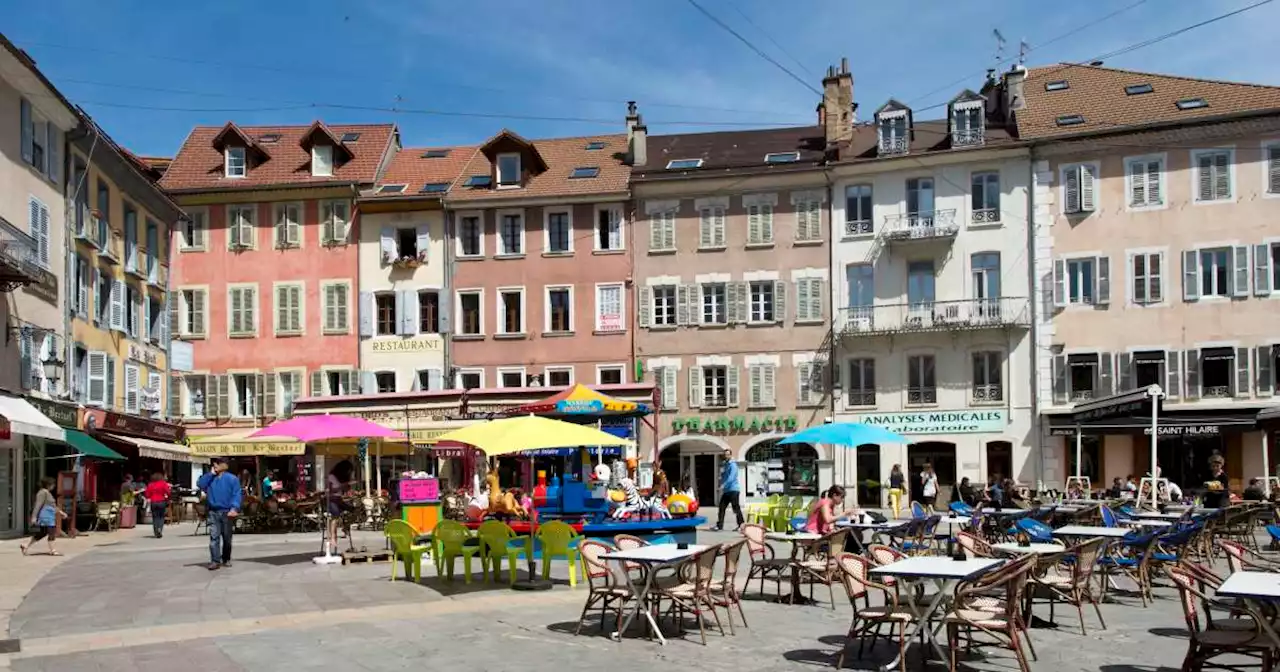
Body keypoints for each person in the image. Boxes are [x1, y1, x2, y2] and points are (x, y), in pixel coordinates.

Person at [198, 457, 242, 570]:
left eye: (218, 463)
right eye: (214, 463)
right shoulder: (210, 478)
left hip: (227, 511)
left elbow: (236, 494)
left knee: (227, 538)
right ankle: (215, 560)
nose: (215, 465)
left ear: (225, 465)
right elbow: (200, 484)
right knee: (214, 537)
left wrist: (234, 508)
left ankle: (226, 558)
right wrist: (210, 475)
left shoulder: (232, 479)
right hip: (213, 511)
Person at [20, 477, 65, 556]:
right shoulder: (42, 493)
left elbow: (53, 506)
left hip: (49, 516)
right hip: (46, 517)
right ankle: (53, 550)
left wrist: (61, 512)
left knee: (42, 533)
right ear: (48, 485)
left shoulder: (47, 493)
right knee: (51, 532)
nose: (54, 486)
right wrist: (34, 517)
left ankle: (26, 546)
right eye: (53, 484)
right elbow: (38, 505)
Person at [326, 460, 355, 553]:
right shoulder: (331, 476)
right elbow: (331, 490)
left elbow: (344, 490)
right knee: (335, 515)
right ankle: (332, 537)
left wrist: (348, 486)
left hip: (339, 499)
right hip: (332, 499)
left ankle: (346, 526)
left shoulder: (342, 478)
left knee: (354, 510)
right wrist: (344, 485)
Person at [712, 448, 743, 532]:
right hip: (727, 491)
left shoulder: (733, 465)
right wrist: (720, 478)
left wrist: (723, 485)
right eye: (725, 454)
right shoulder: (725, 465)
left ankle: (741, 525)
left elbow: (731, 478)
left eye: (728, 454)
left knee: (736, 508)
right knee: (721, 508)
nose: (726, 456)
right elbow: (724, 476)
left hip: (733, 490)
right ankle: (719, 526)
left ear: (730, 455)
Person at [144, 472, 172, 538]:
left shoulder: (150, 485)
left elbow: (147, 495)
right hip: (161, 501)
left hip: (153, 502)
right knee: (161, 517)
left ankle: (156, 531)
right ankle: (160, 529)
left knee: (155, 517)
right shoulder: (163, 483)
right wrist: (167, 497)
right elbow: (168, 492)